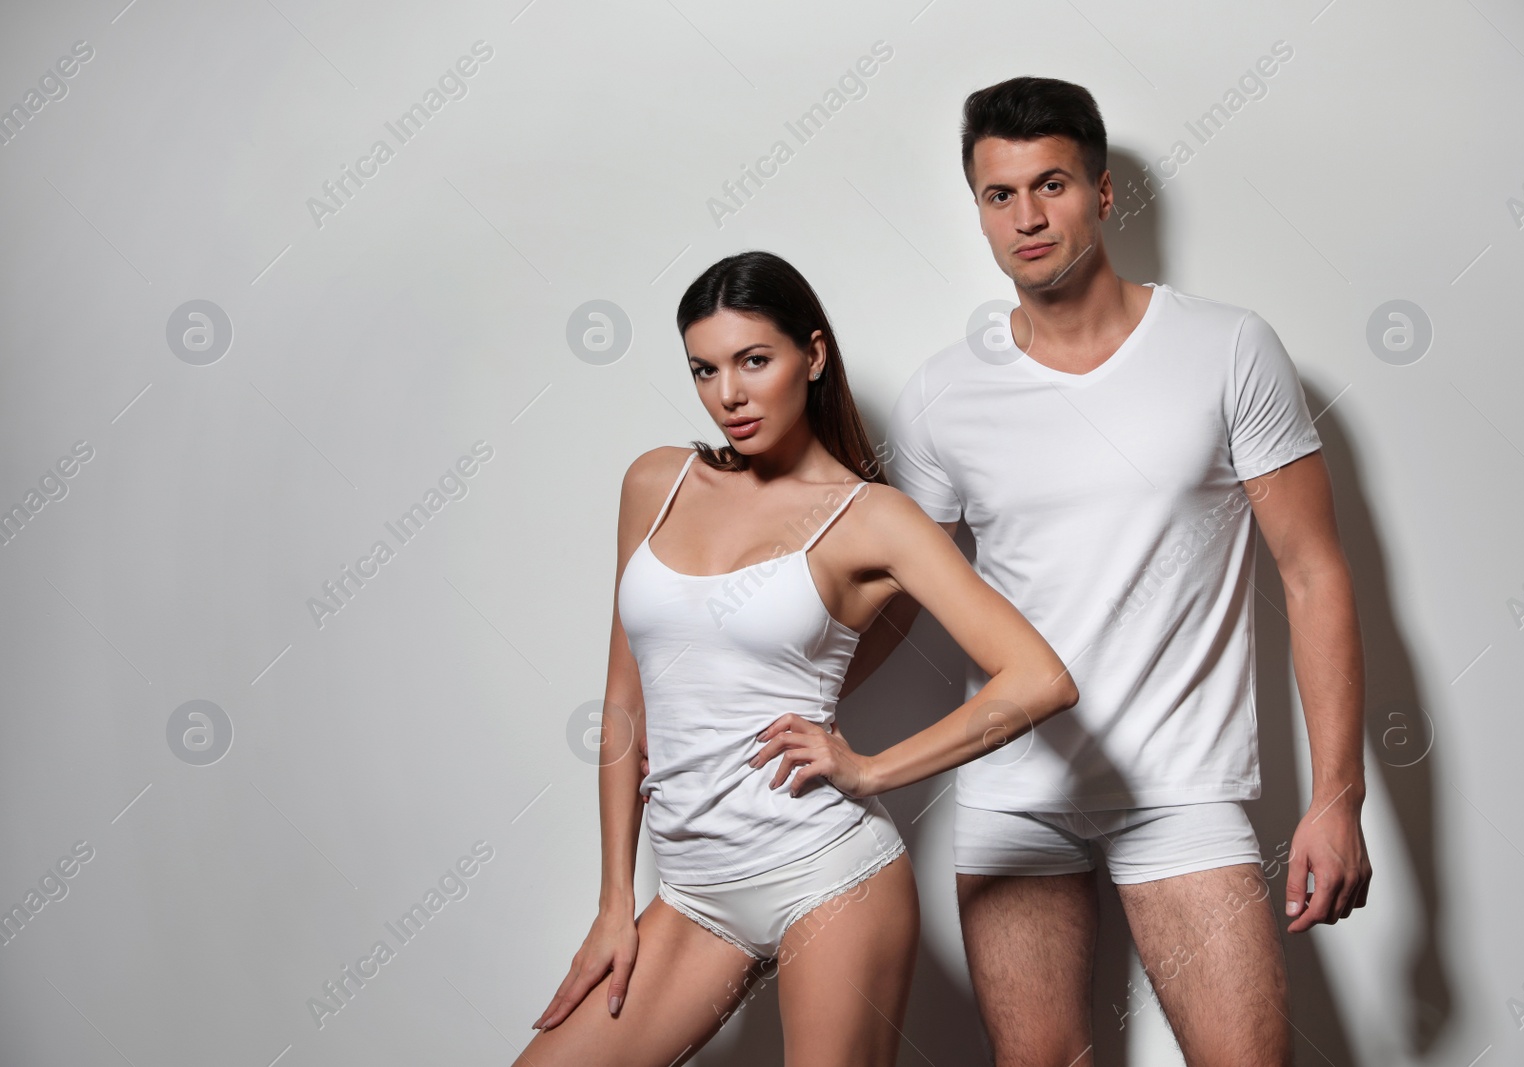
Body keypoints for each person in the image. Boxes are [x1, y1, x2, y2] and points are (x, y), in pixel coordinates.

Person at [868, 77, 1373, 1065]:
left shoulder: (1227, 348)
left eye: (1049, 185)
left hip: (1181, 785)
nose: (1026, 217)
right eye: (998, 195)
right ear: (976, 210)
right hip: (1015, 790)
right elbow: (891, 606)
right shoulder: (941, 395)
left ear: (1102, 194)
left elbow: (1314, 572)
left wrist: (1336, 795)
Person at [515, 250, 1080, 1067]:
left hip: (830, 876)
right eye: (705, 370)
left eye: (755, 360)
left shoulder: (870, 518)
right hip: (693, 889)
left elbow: (1040, 677)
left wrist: (875, 769)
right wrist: (614, 901)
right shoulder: (656, 483)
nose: (729, 396)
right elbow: (622, 702)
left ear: (812, 355)